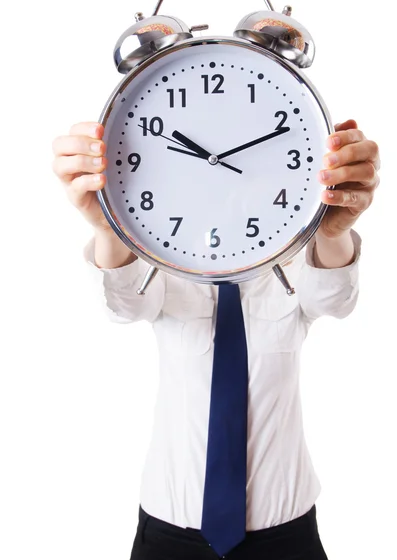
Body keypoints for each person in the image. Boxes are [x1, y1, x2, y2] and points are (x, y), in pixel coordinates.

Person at [52, 118, 380, 560]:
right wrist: (109, 227)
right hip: (170, 531)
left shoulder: (294, 256)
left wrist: (333, 230)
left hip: (286, 532)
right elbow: (124, 304)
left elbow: (334, 299)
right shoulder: (162, 259)